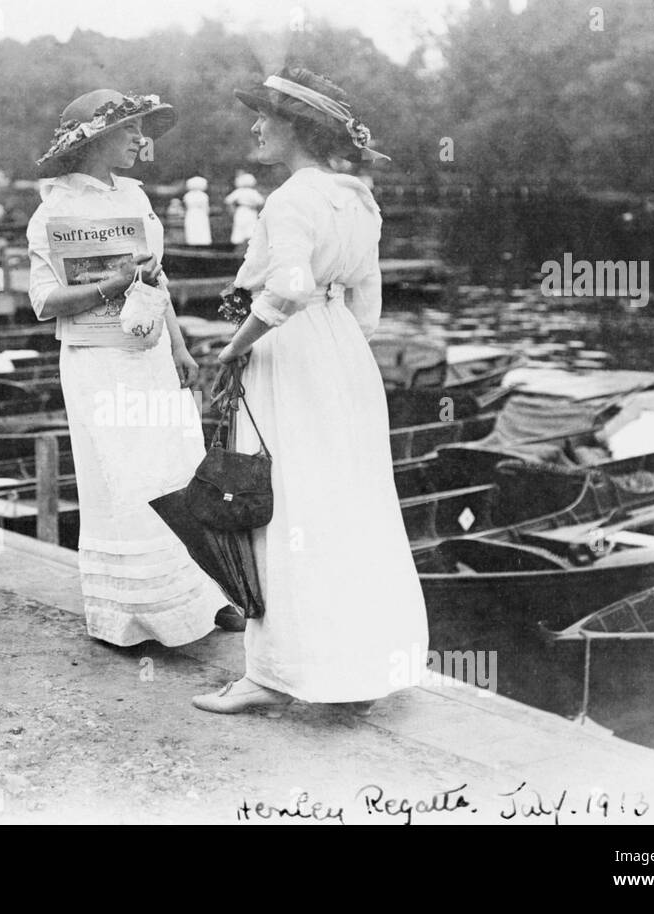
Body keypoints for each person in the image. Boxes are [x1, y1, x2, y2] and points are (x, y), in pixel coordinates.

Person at [192, 67, 429, 713]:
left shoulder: (292, 198)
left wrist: (234, 350)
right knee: (346, 506)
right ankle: (353, 672)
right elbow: (368, 305)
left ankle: (269, 677)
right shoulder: (356, 198)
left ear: (296, 127)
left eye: (265, 117)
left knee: (282, 507)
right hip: (343, 357)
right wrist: (335, 347)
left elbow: (289, 286)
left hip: (290, 353)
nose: (255, 126)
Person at [27, 88, 243, 646]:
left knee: (176, 461)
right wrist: (112, 283)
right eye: (129, 132)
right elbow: (45, 301)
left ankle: (200, 596)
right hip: (99, 359)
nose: (139, 141)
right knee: (124, 474)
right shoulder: (55, 209)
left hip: (148, 352)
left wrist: (179, 345)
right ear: (96, 140)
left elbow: (158, 278)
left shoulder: (137, 197)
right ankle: (135, 611)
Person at [225, 172, 265, 246]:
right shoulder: (253, 192)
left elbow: (228, 200)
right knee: (251, 227)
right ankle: (248, 245)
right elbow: (261, 201)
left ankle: (238, 244)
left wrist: (232, 209)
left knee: (239, 227)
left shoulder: (239, 191)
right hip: (250, 211)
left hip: (240, 211)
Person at [182, 176, 212, 245]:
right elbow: (206, 208)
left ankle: (192, 243)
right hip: (201, 214)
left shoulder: (187, 195)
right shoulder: (204, 195)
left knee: (192, 229)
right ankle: (203, 243)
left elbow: (186, 206)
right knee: (202, 228)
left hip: (190, 214)